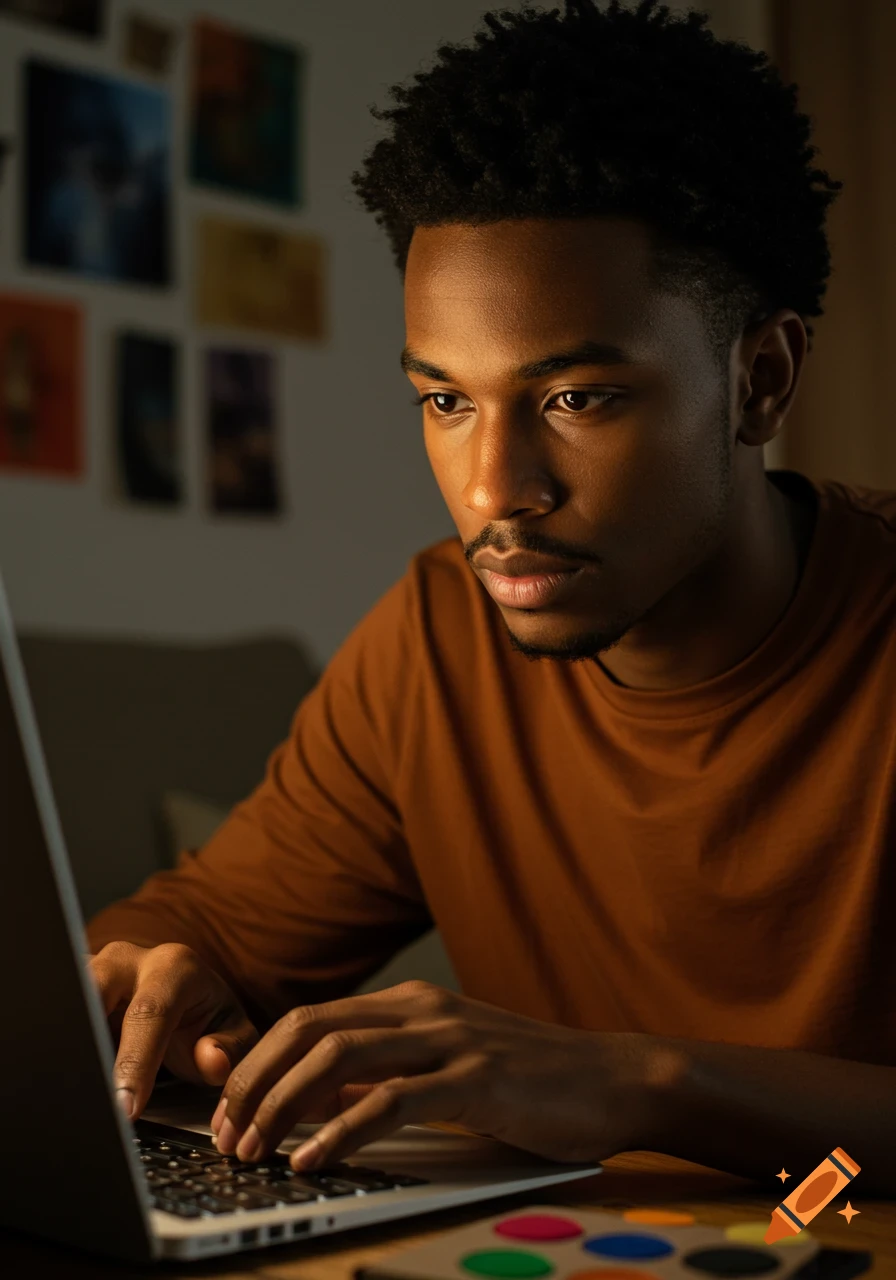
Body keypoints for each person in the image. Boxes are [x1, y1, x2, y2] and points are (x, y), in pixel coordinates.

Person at [86, 0, 896, 1195]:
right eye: (444, 400)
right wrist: (154, 980)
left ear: (758, 379)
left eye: (575, 398)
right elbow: (208, 924)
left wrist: (638, 1082)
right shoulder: (435, 636)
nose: (489, 491)